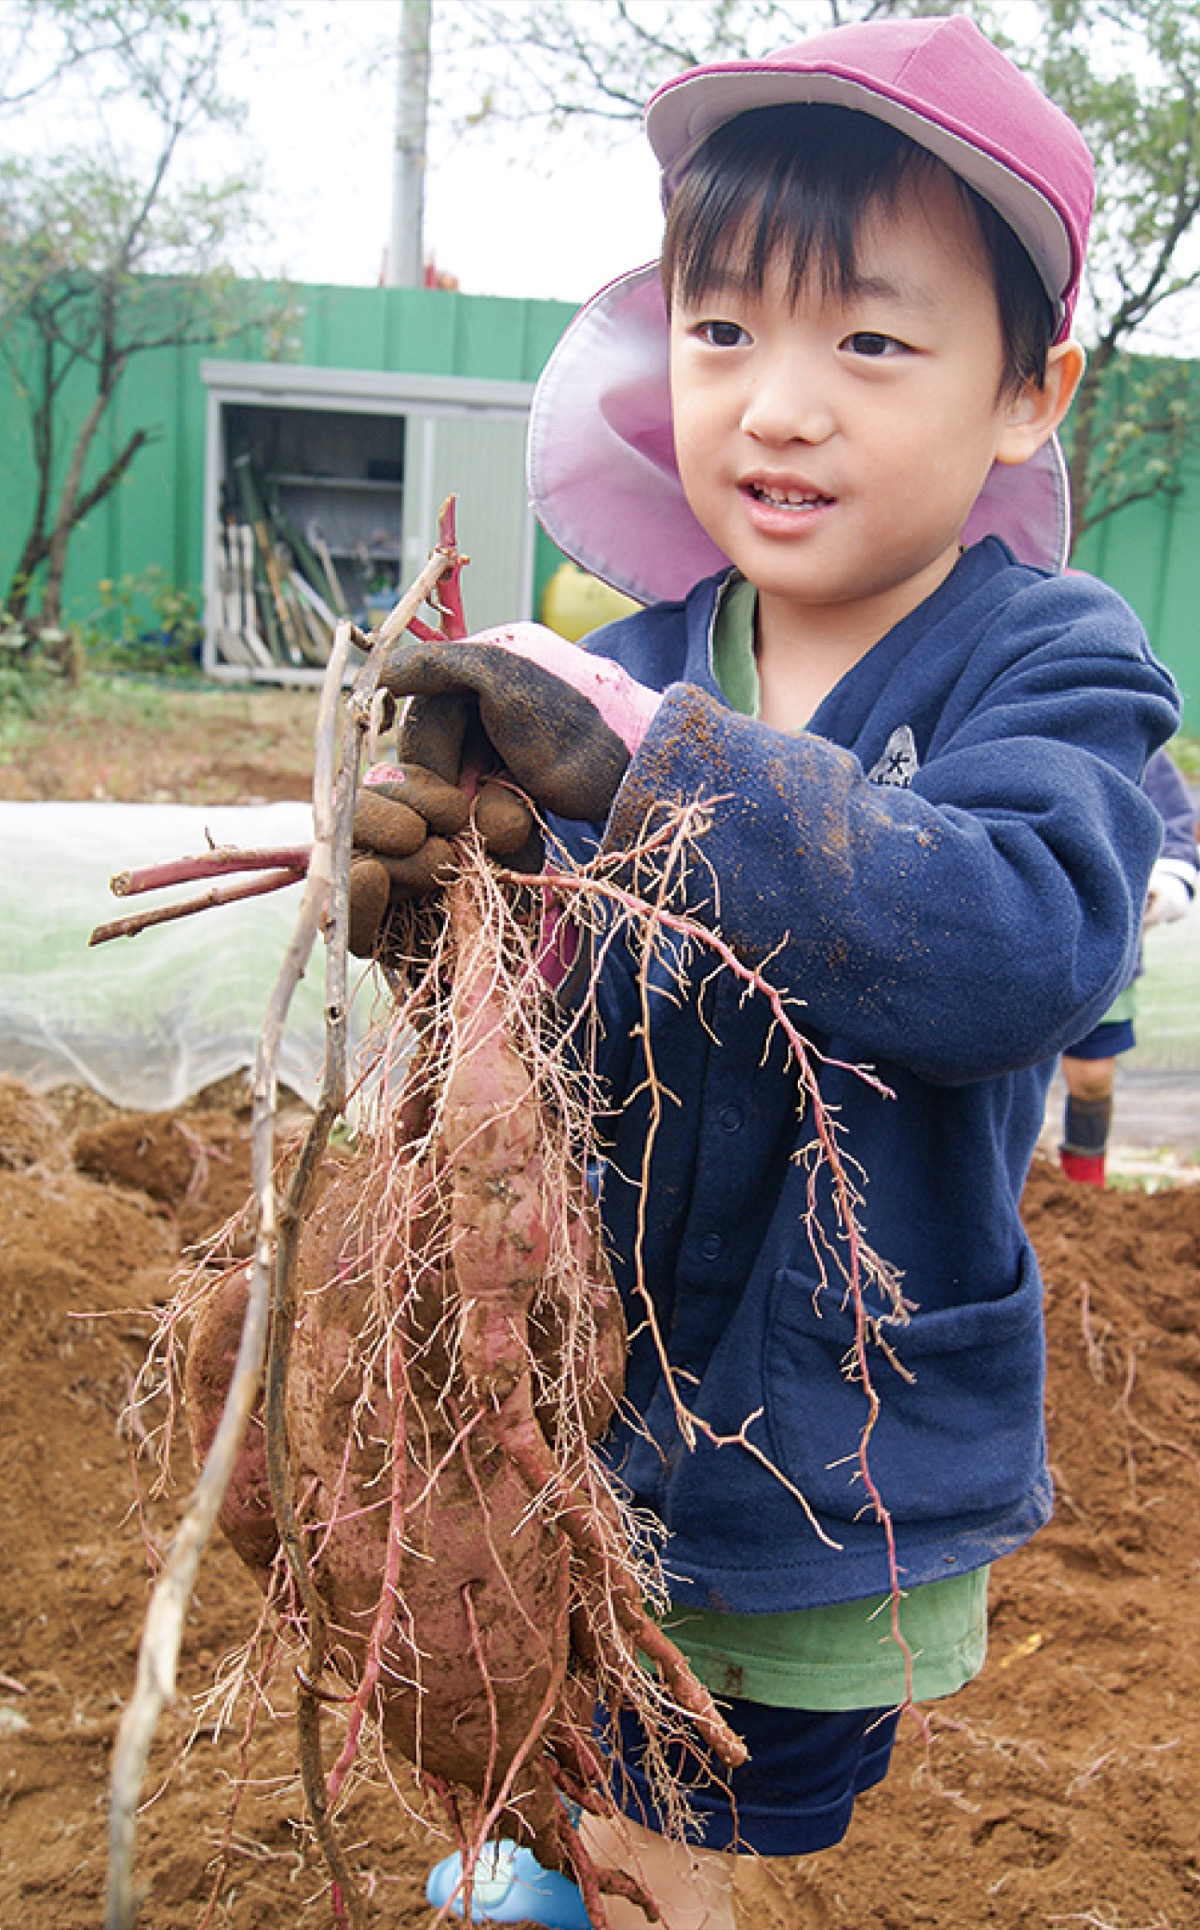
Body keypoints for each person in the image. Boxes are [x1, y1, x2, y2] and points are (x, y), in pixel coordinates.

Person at [349, 15, 1180, 1927]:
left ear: (1029, 392)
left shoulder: (1051, 667)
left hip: (822, 1454)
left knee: (673, 1838)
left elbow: (1023, 945)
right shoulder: (626, 659)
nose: (778, 407)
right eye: (722, 332)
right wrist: (449, 938)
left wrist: (668, 774)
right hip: (568, 1411)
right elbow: (561, 1035)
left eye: (871, 344)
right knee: (557, 1760)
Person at [1058, 745, 1198, 1184]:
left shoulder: (1137, 743)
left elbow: (1178, 839)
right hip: (1004, 953)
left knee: (1092, 1077)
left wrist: (1156, 893)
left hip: (1103, 949)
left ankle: (1083, 1189)